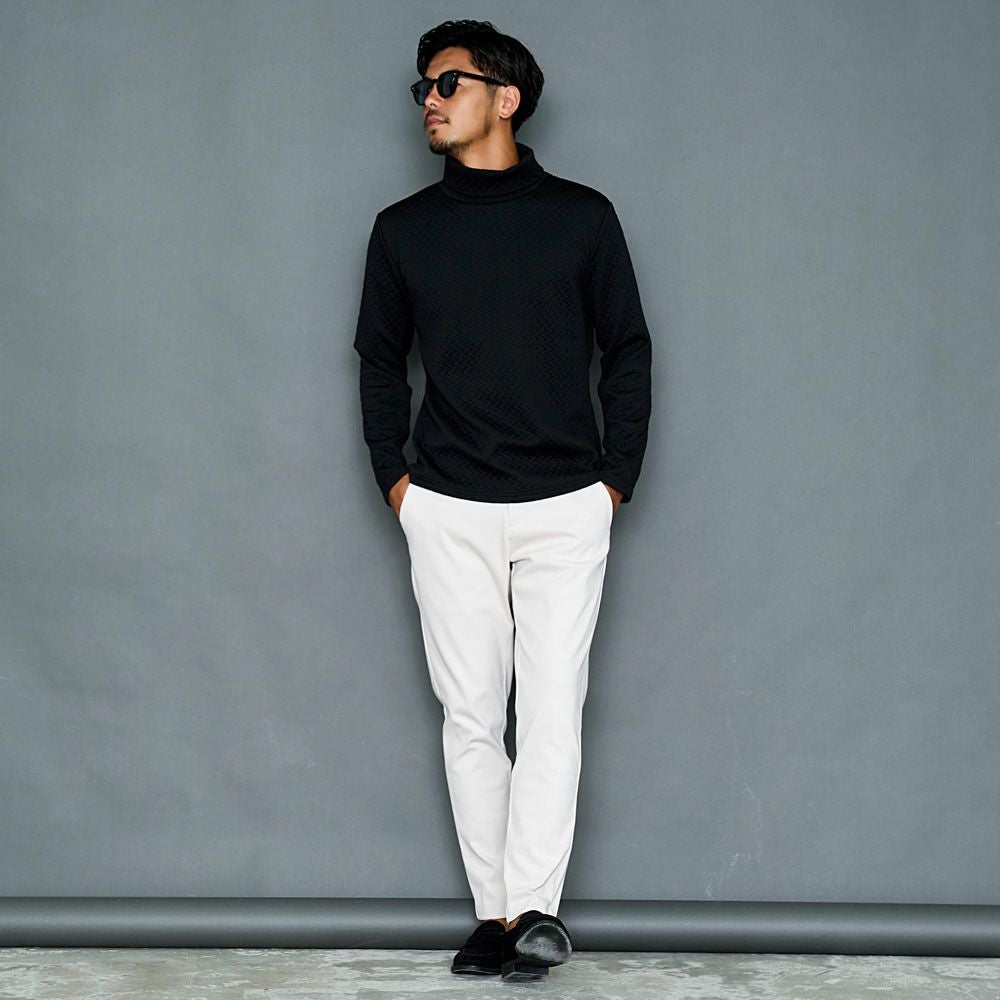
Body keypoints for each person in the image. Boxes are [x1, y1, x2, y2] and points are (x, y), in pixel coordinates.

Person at [352, 18, 652, 981]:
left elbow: (628, 348)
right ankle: (497, 915)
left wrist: (615, 478)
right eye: (423, 88)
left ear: (505, 97)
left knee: (554, 709)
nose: (429, 101)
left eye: (447, 82)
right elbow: (378, 361)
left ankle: (534, 911)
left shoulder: (582, 218)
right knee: (472, 715)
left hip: (568, 503)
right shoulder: (403, 231)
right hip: (446, 502)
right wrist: (396, 479)